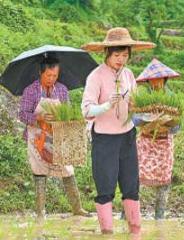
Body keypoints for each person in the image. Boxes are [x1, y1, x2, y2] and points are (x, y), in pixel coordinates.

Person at [81, 27, 155, 236]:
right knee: (105, 188)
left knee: (131, 186)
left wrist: (137, 107)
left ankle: (135, 230)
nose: (121, 60)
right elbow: (86, 109)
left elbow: (135, 104)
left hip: (127, 137)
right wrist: (105, 106)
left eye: (125, 55)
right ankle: (107, 232)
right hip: (104, 138)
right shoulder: (95, 77)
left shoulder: (129, 74)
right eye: (116, 55)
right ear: (107, 54)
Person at [19, 56, 88, 223]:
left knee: (67, 170)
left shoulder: (62, 90)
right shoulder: (31, 90)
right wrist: (39, 117)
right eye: (48, 75)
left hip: (58, 136)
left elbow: (68, 112)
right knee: (39, 172)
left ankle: (77, 208)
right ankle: (41, 211)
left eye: (55, 76)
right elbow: (22, 114)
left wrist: (62, 118)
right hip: (37, 137)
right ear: (40, 73)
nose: (51, 79)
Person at [134, 59, 180, 220]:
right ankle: (128, 214)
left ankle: (159, 217)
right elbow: (134, 121)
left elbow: (177, 128)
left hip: (164, 144)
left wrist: (166, 121)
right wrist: (148, 119)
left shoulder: (172, 98)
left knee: (164, 181)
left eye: (159, 79)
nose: (156, 82)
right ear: (147, 81)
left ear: (165, 79)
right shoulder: (142, 96)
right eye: (152, 80)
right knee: (135, 178)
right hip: (145, 142)